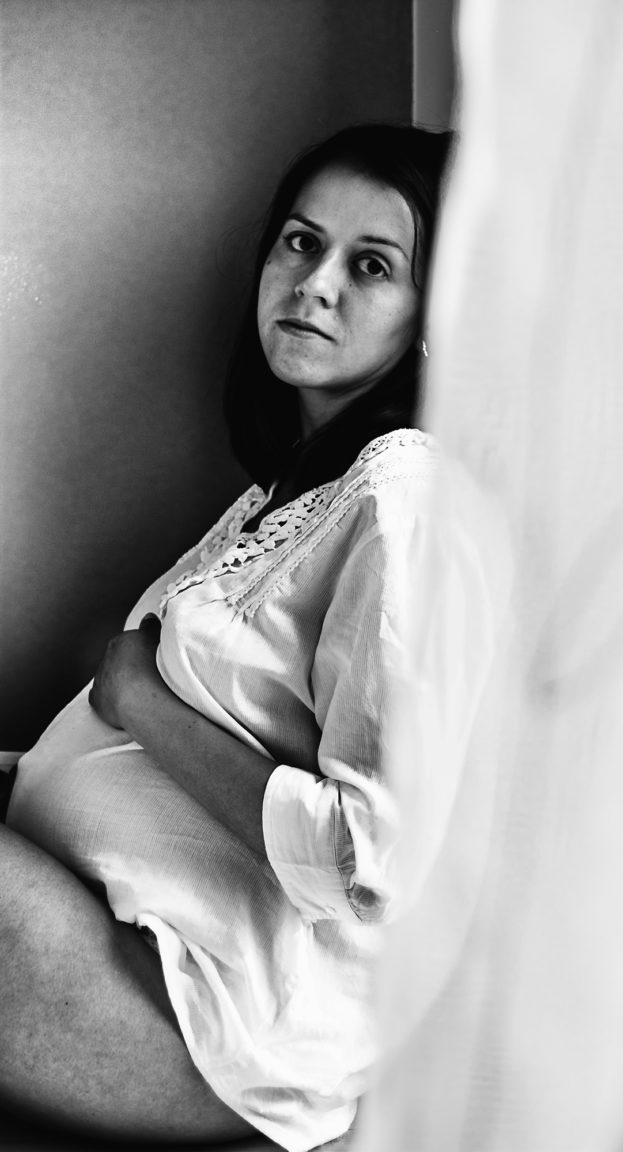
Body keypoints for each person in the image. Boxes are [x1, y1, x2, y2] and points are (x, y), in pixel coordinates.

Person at [0, 124, 453, 1151]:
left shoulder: (403, 494)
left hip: (200, 1018)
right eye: (301, 242)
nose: (315, 284)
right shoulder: (286, 492)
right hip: (104, 933)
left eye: (371, 265)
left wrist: (137, 701)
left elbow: (368, 864)